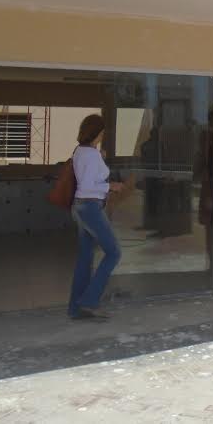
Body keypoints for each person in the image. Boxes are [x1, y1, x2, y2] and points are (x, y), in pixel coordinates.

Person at [68, 114, 125, 320]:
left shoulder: (80, 151)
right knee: (114, 252)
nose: (103, 135)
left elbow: (86, 178)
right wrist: (111, 186)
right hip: (90, 207)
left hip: (80, 207)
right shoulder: (92, 155)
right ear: (98, 132)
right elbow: (88, 186)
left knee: (85, 258)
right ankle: (90, 302)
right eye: (102, 132)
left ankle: (76, 308)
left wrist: (99, 157)